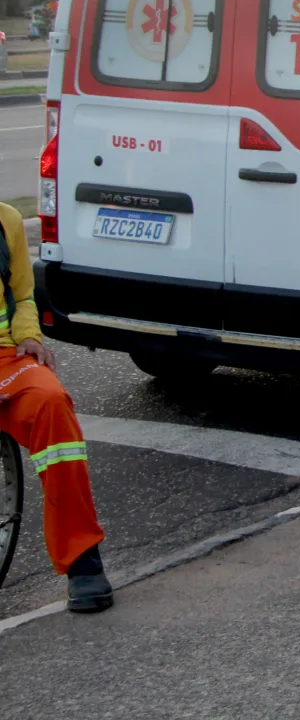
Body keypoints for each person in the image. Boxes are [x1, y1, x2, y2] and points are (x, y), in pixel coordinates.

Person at [0, 200, 113, 611]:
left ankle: (82, 560)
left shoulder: (6, 220)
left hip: (5, 357)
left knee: (51, 404)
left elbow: (23, 296)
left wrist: (29, 336)